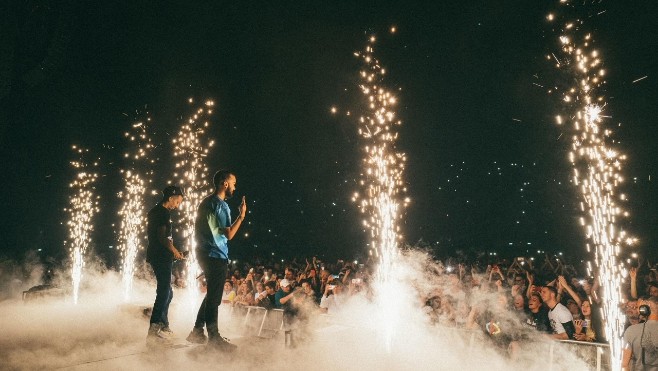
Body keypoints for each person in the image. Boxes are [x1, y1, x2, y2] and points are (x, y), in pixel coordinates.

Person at [186, 170, 246, 350]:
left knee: (212, 294)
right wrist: (241, 216)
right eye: (233, 183)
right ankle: (214, 337)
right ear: (224, 183)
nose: (235, 187)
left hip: (204, 252)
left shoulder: (206, 202)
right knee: (214, 297)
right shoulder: (220, 205)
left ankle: (197, 331)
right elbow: (228, 234)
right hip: (215, 254)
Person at [146, 185, 185, 344]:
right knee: (164, 291)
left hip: (162, 255)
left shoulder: (160, 212)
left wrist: (175, 252)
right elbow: (162, 238)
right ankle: (155, 328)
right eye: (178, 201)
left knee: (168, 292)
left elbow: (164, 238)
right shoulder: (161, 213)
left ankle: (164, 326)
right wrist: (174, 251)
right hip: (160, 255)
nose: (178, 205)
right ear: (171, 197)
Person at [622, 296, 658, 371]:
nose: (638, 311)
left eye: (639, 307)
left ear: (646, 309)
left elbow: (624, 365)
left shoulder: (631, 330)